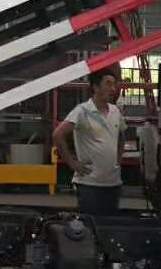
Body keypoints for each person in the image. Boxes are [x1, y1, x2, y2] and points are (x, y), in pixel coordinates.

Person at [52, 65, 124, 215]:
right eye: (108, 84)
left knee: (110, 223)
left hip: (113, 183)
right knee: (90, 222)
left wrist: (117, 160)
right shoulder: (82, 111)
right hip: (89, 183)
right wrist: (72, 163)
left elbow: (121, 135)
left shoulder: (115, 111)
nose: (113, 89)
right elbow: (58, 135)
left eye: (114, 84)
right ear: (96, 87)